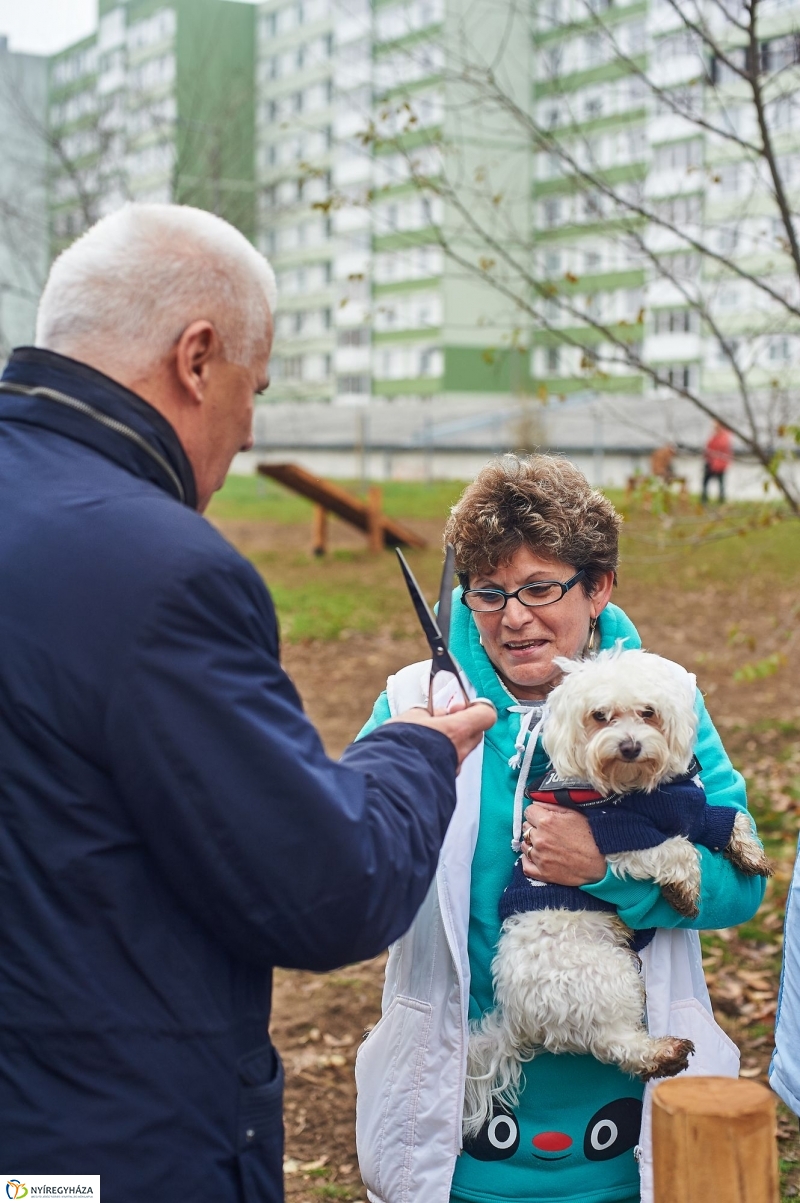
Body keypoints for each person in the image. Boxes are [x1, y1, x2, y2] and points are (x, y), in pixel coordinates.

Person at [0, 204, 495, 1200]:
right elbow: (324, 888)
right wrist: (413, 750)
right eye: (252, 388)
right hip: (107, 1149)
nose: (252, 425)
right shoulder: (157, 569)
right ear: (196, 358)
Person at [355, 455, 765, 1203]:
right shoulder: (415, 702)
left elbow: (741, 886)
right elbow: (344, 870)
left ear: (599, 585)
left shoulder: (663, 699)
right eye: (488, 592)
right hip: (456, 1132)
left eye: (541, 587)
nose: (514, 616)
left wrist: (605, 871)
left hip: (629, 1141)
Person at [701, 421, 734, 502]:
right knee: (706, 481)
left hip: (720, 464)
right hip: (711, 462)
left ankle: (721, 499)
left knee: (720, 482)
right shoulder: (715, 436)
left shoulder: (724, 437)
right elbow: (708, 447)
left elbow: (721, 448)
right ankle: (705, 498)